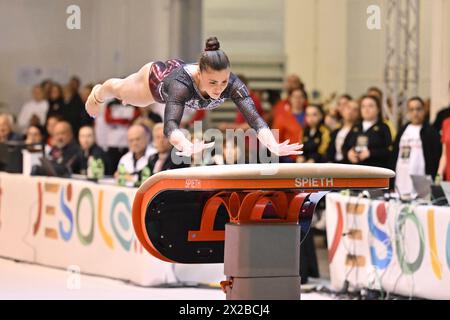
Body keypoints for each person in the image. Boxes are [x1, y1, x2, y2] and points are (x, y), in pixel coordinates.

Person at [85, 37, 302, 158]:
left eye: (224, 81)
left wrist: (272, 144)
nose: (219, 89)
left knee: (128, 97)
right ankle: (99, 92)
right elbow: (170, 125)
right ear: (199, 74)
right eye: (213, 83)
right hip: (156, 80)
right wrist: (184, 144)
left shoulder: (233, 84)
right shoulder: (181, 85)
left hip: (174, 78)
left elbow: (254, 119)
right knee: (124, 93)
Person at [393, 97, 441, 195]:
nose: (415, 112)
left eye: (418, 109)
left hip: (421, 180)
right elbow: (393, 155)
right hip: (401, 179)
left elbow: (436, 157)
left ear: (424, 110)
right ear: (408, 112)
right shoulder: (402, 130)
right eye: (412, 109)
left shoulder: (431, 132)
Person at [343, 95, 392, 169]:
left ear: (378, 109)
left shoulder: (383, 127)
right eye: (363, 106)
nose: (366, 109)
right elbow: (344, 146)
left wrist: (370, 153)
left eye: (370, 106)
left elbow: (388, 150)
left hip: (374, 170)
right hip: (354, 169)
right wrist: (349, 153)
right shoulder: (356, 127)